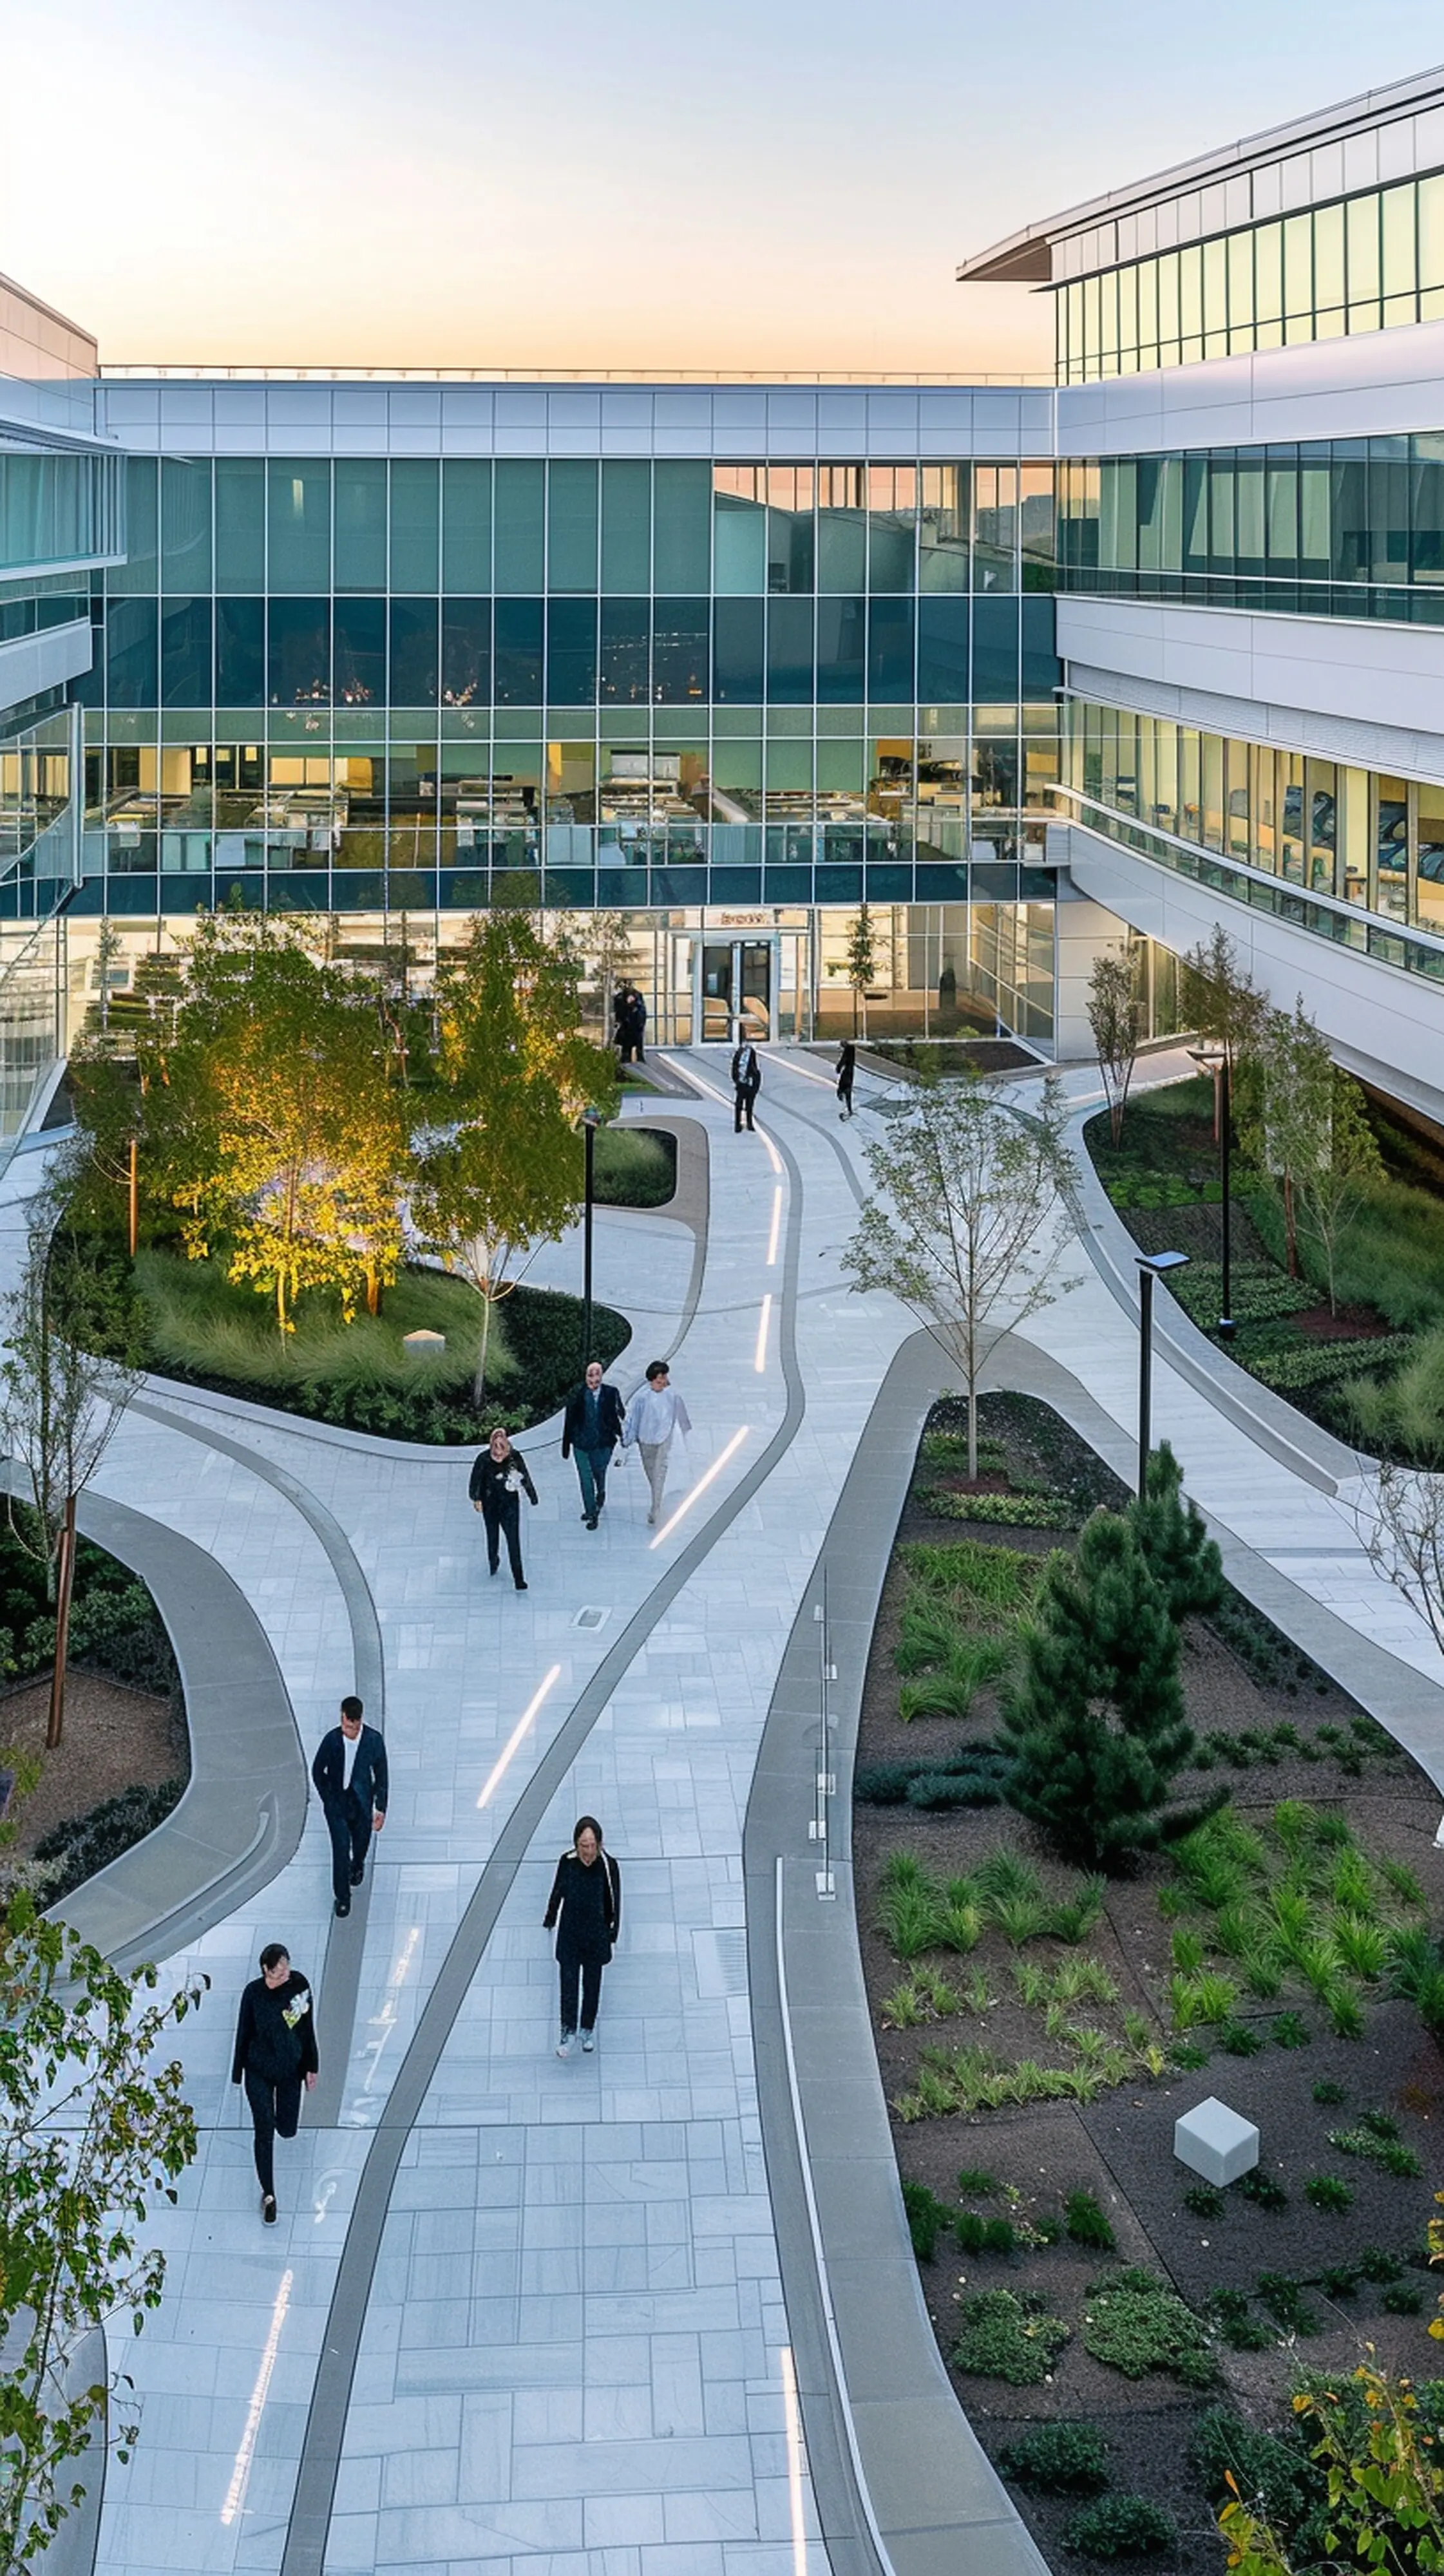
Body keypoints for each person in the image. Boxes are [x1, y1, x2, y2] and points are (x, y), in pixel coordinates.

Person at [231, 1942, 318, 2224]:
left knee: (287, 2129)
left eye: (287, 1968)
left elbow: (307, 2027)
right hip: (258, 2069)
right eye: (279, 1972)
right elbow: (244, 2031)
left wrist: (311, 2065)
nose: (285, 1975)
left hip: (289, 2068)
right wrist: (238, 2073)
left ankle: (284, 2123)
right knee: (264, 2129)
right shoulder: (253, 1994)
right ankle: (269, 2195)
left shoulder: (299, 1985)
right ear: (266, 1971)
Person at [543, 1815, 622, 2058]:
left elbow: (615, 1902)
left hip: (595, 1936)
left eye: (592, 1845)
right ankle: (567, 2031)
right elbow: (558, 1891)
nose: (588, 1851)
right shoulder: (567, 1862)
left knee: (592, 1985)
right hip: (570, 1934)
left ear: (600, 1843)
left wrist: (612, 1934)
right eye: (583, 1846)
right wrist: (550, 1917)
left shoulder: (608, 1866)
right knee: (568, 1985)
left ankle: (587, 2028)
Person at [311, 1694, 388, 1919]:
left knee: (361, 1841)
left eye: (352, 1727)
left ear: (359, 1721)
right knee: (340, 1848)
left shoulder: (373, 1741)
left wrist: (380, 1808)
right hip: (337, 1804)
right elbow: (318, 1771)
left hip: (361, 1803)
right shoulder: (332, 1740)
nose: (348, 1730)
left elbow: (382, 1776)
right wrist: (328, 1797)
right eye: (345, 1724)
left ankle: (358, 1865)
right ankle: (343, 1896)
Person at [621, 1358, 692, 1528]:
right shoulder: (642, 1398)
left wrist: (686, 1432)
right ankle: (657, 1497)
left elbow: (681, 1415)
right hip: (645, 1441)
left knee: (659, 1471)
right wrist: (628, 1439)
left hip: (663, 1438)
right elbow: (634, 1420)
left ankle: (656, 1507)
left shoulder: (672, 1395)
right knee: (651, 1473)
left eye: (664, 1378)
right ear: (652, 1379)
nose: (663, 1382)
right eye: (659, 1378)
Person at [469, 1425, 538, 1589]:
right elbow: (475, 1481)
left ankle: (519, 1578)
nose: (498, 1456)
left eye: (502, 1454)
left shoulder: (515, 1458)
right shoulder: (483, 1459)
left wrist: (532, 1495)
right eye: (495, 1454)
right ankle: (493, 1561)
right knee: (492, 1537)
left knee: (514, 1541)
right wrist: (476, 1498)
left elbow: (525, 1476)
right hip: (490, 1505)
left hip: (510, 1506)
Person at [561, 1358, 627, 1530]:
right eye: (590, 1379)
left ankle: (601, 1492)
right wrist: (568, 1444)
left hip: (603, 1443)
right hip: (581, 1444)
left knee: (599, 1472)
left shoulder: (612, 1393)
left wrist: (620, 1434)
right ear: (585, 1377)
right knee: (585, 1478)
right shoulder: (576, 1394)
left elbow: (620, 1414)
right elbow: (569, 1420)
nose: (593, 1383)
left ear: (602, 1377)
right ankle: (591, 1513)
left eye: (597, 1380)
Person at [730, 1034, 762, 1133]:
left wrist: (754, 1081)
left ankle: (749, 1123)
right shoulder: (739, 1053)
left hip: (749, 1082)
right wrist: (737, 1079)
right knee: (739, 1105)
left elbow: (754, 1067)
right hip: (742, 1083)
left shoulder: (751, 1053)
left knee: (749, 1105)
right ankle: (738, 1124)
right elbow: (735, 1067)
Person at [625, 987, 648, 1064]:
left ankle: (638, 1057)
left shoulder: (638, 999)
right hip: (630, 1026)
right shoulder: (623, 998)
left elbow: (642, 1012)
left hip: (636, 1025)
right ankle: (628, 1058)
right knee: (629, 1044)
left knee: (637, 1043)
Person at [835, 1039, 857, 1119]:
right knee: (848, 1090)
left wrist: (838, 1068)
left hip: (847, 1073)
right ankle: (849, 1109)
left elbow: (844, 1059)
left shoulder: (848, 1050)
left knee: (843, 1089)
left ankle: (847, 1109)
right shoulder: (851, 1050)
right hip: (850, 1072)